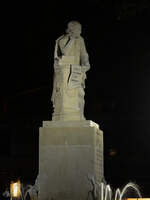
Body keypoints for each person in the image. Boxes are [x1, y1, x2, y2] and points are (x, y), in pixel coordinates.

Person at [51, 21, 90, 121]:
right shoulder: (62, 40)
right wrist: (72, 40)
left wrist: (86, 63)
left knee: (80, 94)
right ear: (71, 30)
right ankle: (67, 114)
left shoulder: (81, 40)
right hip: (66, 71)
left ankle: (79, 114)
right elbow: (65, 52)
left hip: (77, 71)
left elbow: (84, 54)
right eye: (78, 29)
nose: (80, 32)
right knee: (67, 93)